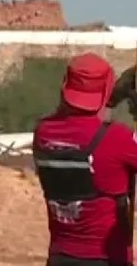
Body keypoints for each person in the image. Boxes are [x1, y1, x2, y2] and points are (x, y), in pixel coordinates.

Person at [33, 52, 137, 266]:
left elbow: (79, 127)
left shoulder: (42, 133)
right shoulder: (117, 139)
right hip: (108, 259)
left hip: (60, 256)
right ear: (106, 90)